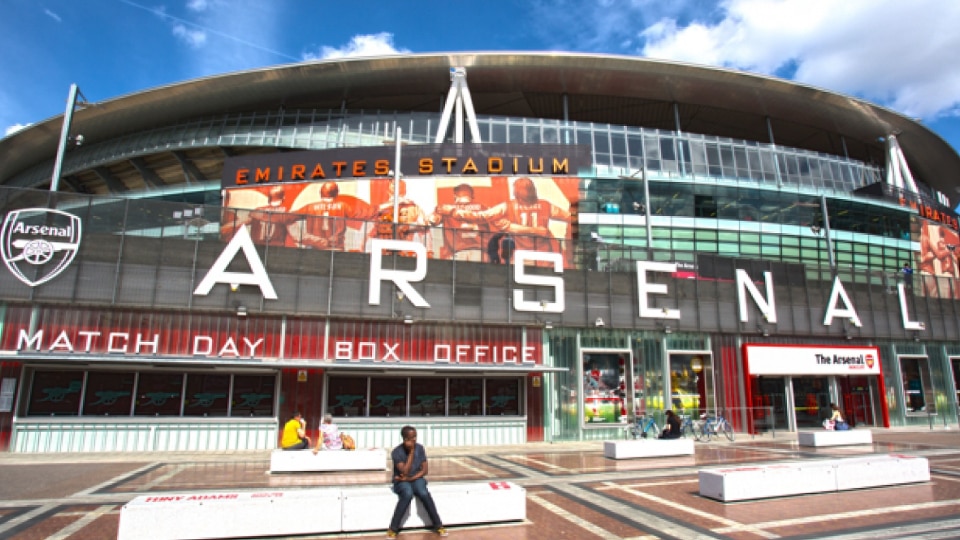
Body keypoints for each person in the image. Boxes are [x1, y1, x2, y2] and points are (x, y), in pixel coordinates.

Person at [452, 177, 571, 264]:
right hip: (544, 256)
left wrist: (456, 212)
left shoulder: (507, 206)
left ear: (516, 191)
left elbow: (481, 216)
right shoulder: (545, 205)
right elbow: (569, 217)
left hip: (521, 256)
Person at [386, 426, 447, 538]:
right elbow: (404, 471)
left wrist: (409, 479)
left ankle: (438, 525)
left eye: (415, 436)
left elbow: (424, 470)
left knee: (423, 492)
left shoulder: (420, 448)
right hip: (401, 481)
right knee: (407, 494)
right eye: (411, 437)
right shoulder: (396, 452)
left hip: (415, 478)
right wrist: (411, 452)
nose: (414, 439)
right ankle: (393, 528)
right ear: (405, 438)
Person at [294, 181, 374, 251]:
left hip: (315, 249)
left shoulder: (310, 207)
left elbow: (288, 217)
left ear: (320, 193)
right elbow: (362, 214)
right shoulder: (343, 206)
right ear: (336, 193)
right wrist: (380, 208)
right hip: (335, 249)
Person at [221, 185, 299, 247]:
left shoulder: (257, 211)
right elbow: (297, 235)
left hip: (256, 249)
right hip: (275, 250)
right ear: (283, 198)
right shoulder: (286, 213)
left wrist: (222, 229)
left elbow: (238, 223)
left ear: (269, 198)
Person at [429, 183, 489, 261]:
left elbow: (432, 220)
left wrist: (436, 211)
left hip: (457, 252)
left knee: (458, 273)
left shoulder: (445, 208)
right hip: (479, 252)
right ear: (472, 195)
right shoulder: (482, 207)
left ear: (455, 196)